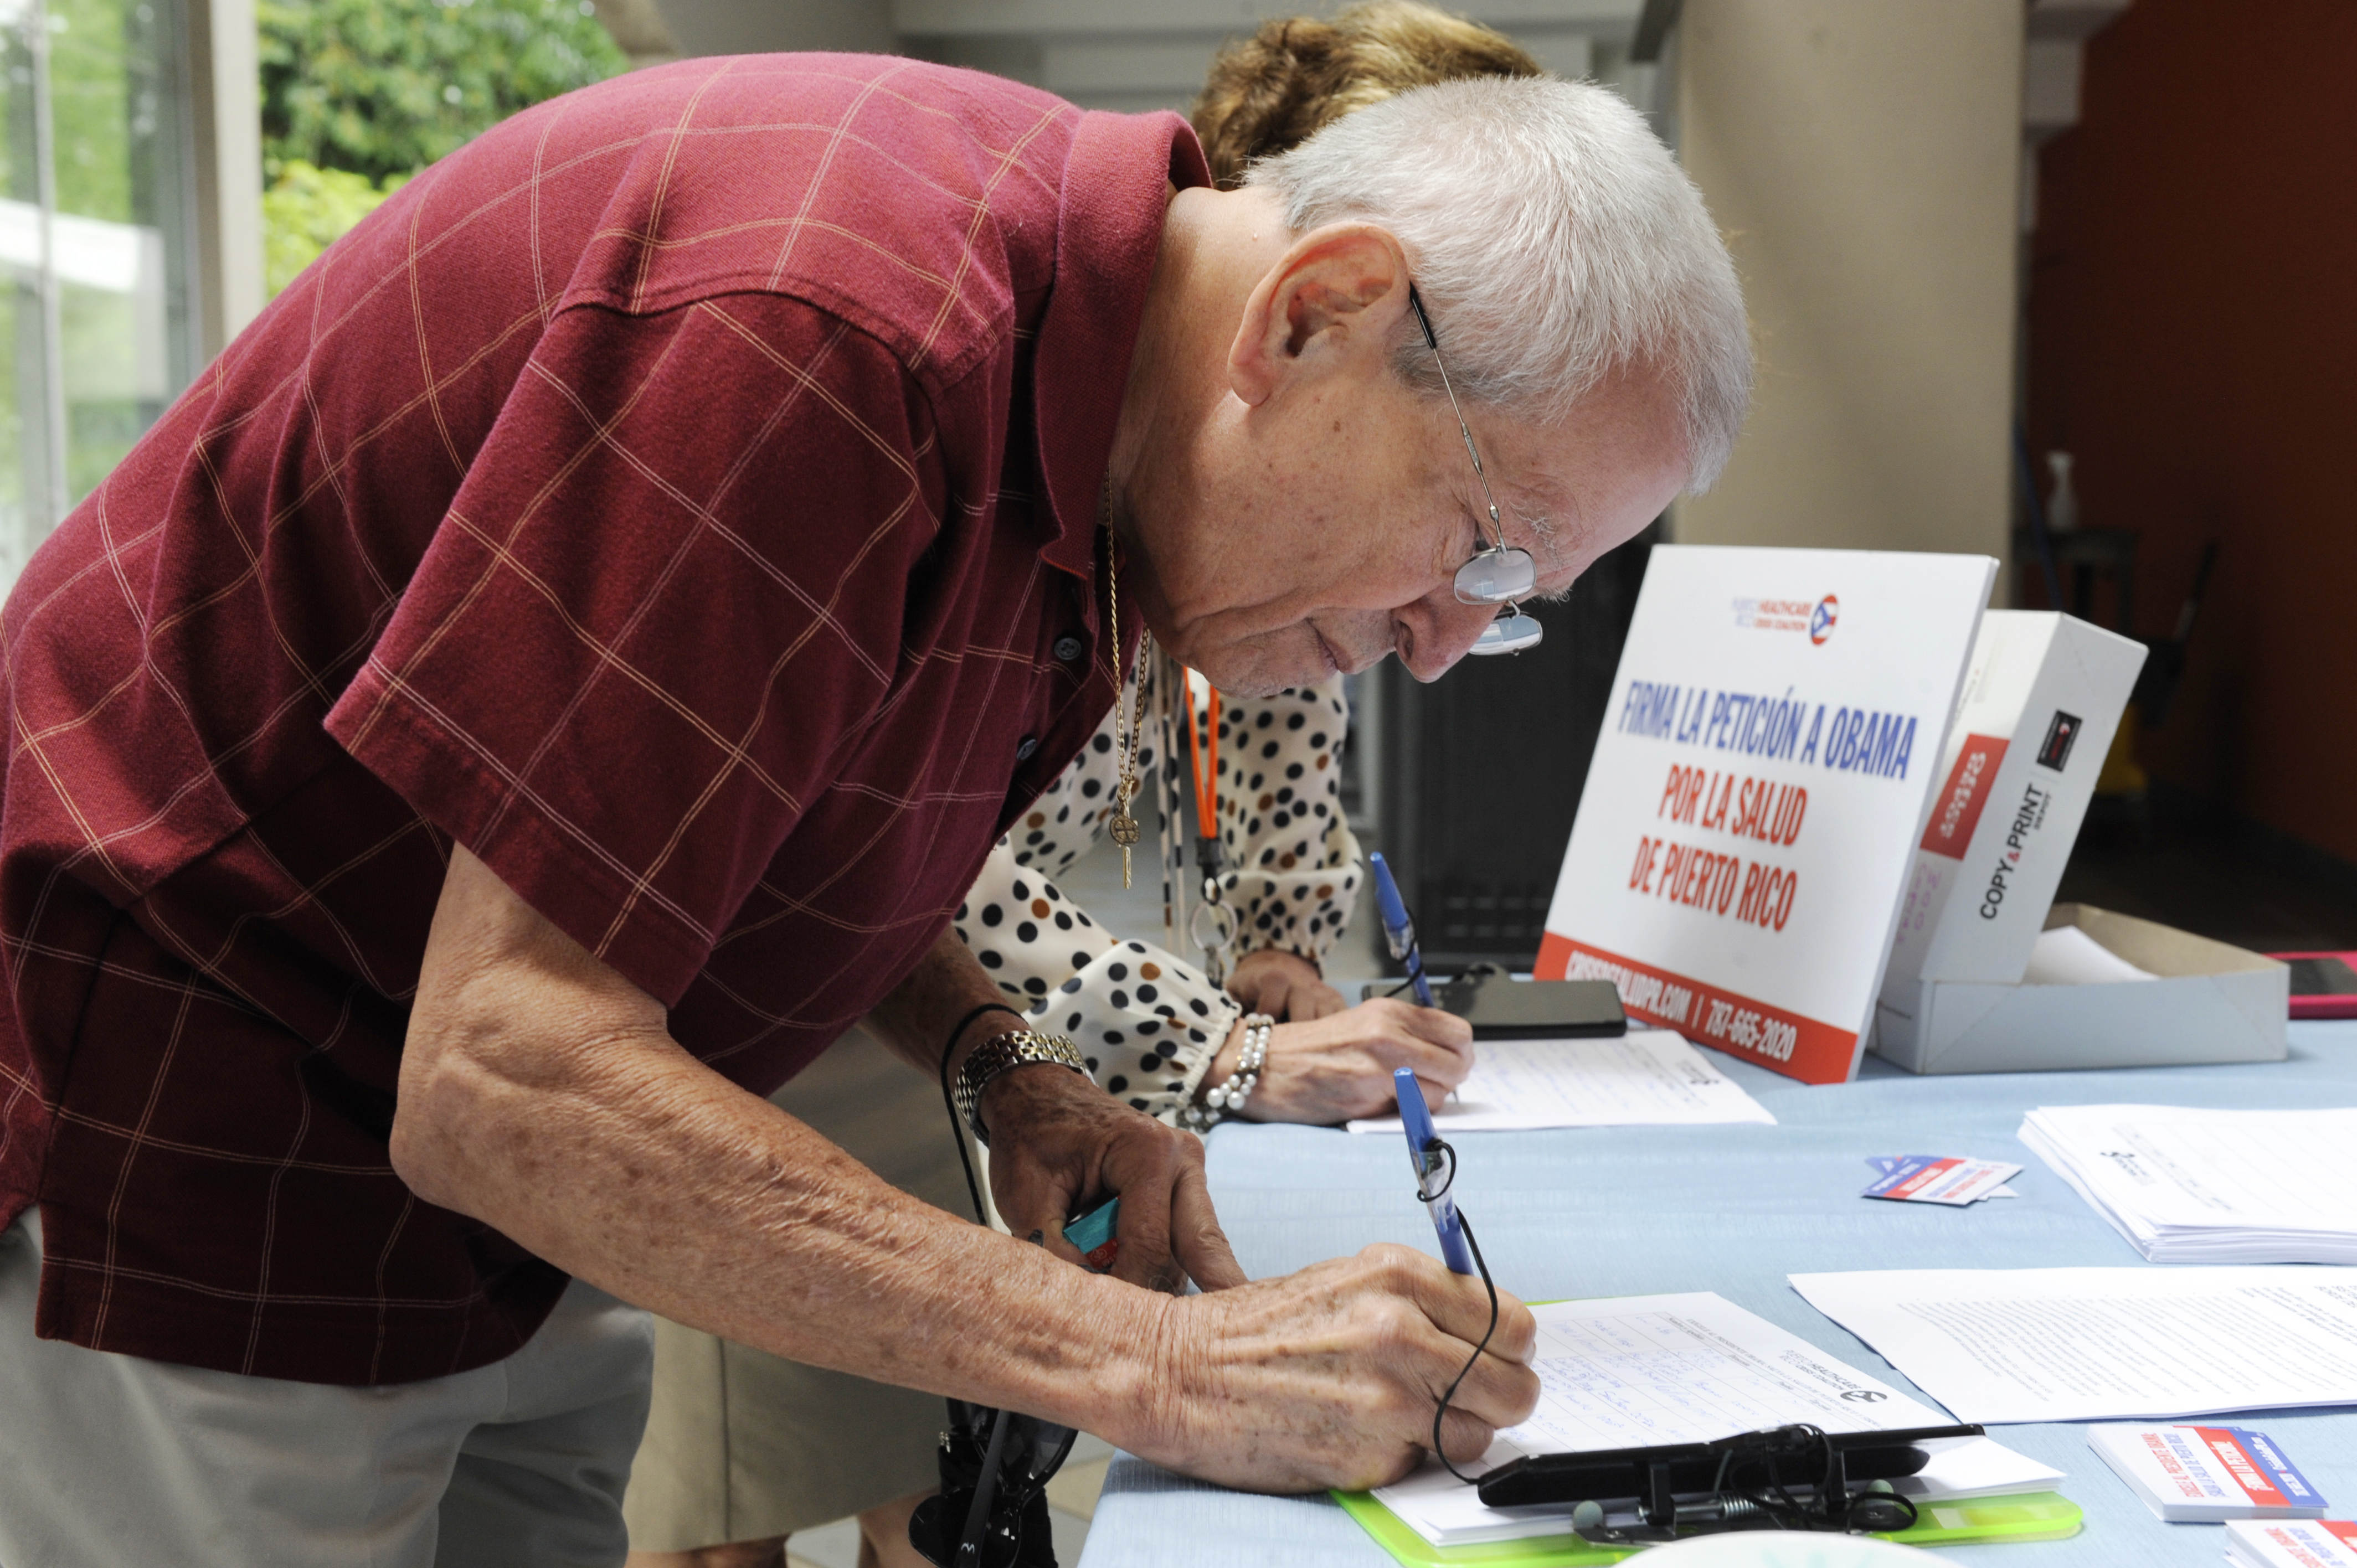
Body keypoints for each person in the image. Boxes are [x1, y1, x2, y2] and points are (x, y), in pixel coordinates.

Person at [0, 35, 1748, 1568]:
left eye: (1515, 609)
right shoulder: (825, 330)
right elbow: (502, 1070)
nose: (1447, 649)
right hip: (201, 1134)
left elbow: (783, 801)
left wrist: (997, 1058)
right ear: (1318, 316)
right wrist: (1152, 1365)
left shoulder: (1095, 425)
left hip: (481, 1207)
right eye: (1485, 548)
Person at [624, 13, 1546, 1564]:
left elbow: (1271, 777)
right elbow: (934, 864)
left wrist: (1276, 966)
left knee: (942, 1478)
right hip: (813, 1020)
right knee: (733, 1496)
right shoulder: (993, 394)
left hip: (995, 1025)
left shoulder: (1294, 506)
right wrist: (1225, 1053)